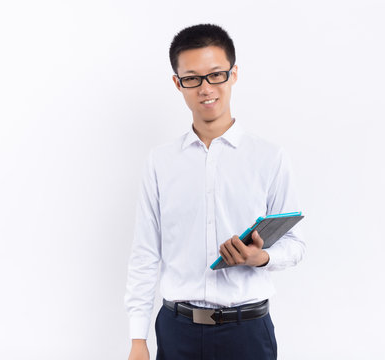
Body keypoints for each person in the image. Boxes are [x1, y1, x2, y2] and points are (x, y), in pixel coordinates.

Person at [125, 24, 305, 360]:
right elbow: (145, 253)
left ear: (233, 75)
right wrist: (138, 337)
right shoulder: (160, 162)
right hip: (178, 329)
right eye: (192, 78)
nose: (206, 88)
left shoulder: (268, 157)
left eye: (216, 75)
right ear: (178, 83)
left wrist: (260, 258)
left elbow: (295, 244)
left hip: (247, 331)